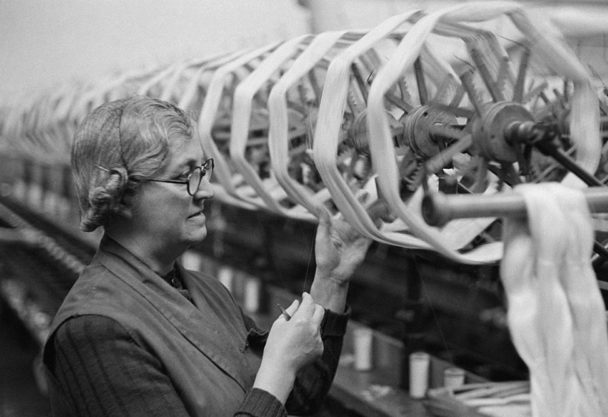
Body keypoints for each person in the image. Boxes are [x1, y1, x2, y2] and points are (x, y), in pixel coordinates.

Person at [42, 96, 372, 417]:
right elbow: (275, 387)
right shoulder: (94, 330)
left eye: (202, 170)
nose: (206, 190)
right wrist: (278, 369)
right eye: (185, 176)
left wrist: (331, 279)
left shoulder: (209, 293)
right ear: (122, 195)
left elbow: (298, 398)